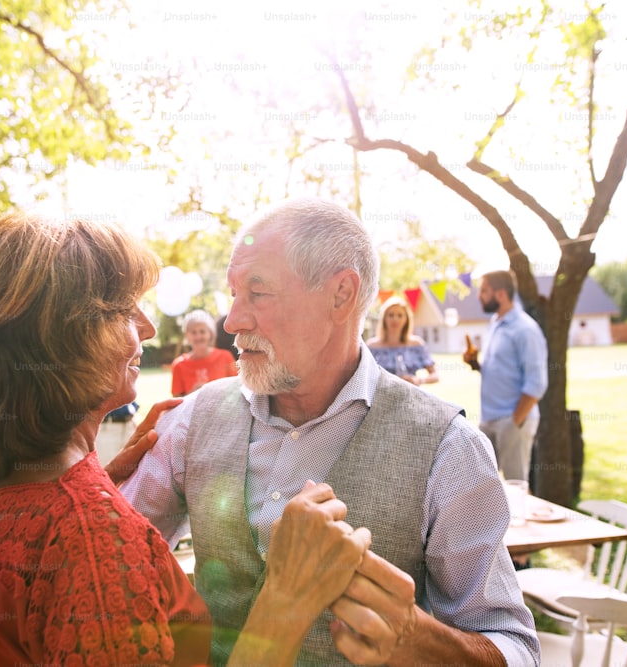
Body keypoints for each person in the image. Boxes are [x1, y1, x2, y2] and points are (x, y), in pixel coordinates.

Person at [0, 210, 376, 666]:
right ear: (61, 342)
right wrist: (287, 598)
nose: (149, 327)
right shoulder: (92, 542)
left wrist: (93, 487)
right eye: (123, 309)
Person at [123, 198, 539, 666]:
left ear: (341, 294)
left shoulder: (449, 448)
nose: (232, 321)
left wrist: (420, 642)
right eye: (233, 294)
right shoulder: (190, 419)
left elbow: (514, 646)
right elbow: (102, 565)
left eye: (258, 294)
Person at [462, 271, 548, 482]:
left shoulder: (525, 330)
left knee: (515, 485)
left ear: (500, 295)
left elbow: (537, 383)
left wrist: (514, 421)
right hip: (488, 420)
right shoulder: (495, 323)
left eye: (484, 291)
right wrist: (475, 364)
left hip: (513, 419)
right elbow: (501, 370)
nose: (479, 296)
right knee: (479, 484)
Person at [366, 295, 440, 386]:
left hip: (410, 395)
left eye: (400, 315)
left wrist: (419, 380)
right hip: (380, 396)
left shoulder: (416, 344)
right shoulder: (372, 346)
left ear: (406, 319)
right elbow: (362, 376)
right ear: (384, 318)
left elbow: (435, 375)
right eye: (391, 315)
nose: (395, 319)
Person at [171, 309, 238, 397]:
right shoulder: (179, 364)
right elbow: (176, 401)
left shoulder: (225, 357)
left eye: (202, 331)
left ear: (210, 333)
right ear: (187, 335)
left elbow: (237, 388)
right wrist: (192, 394)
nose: (198, 337)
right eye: (193, 332)